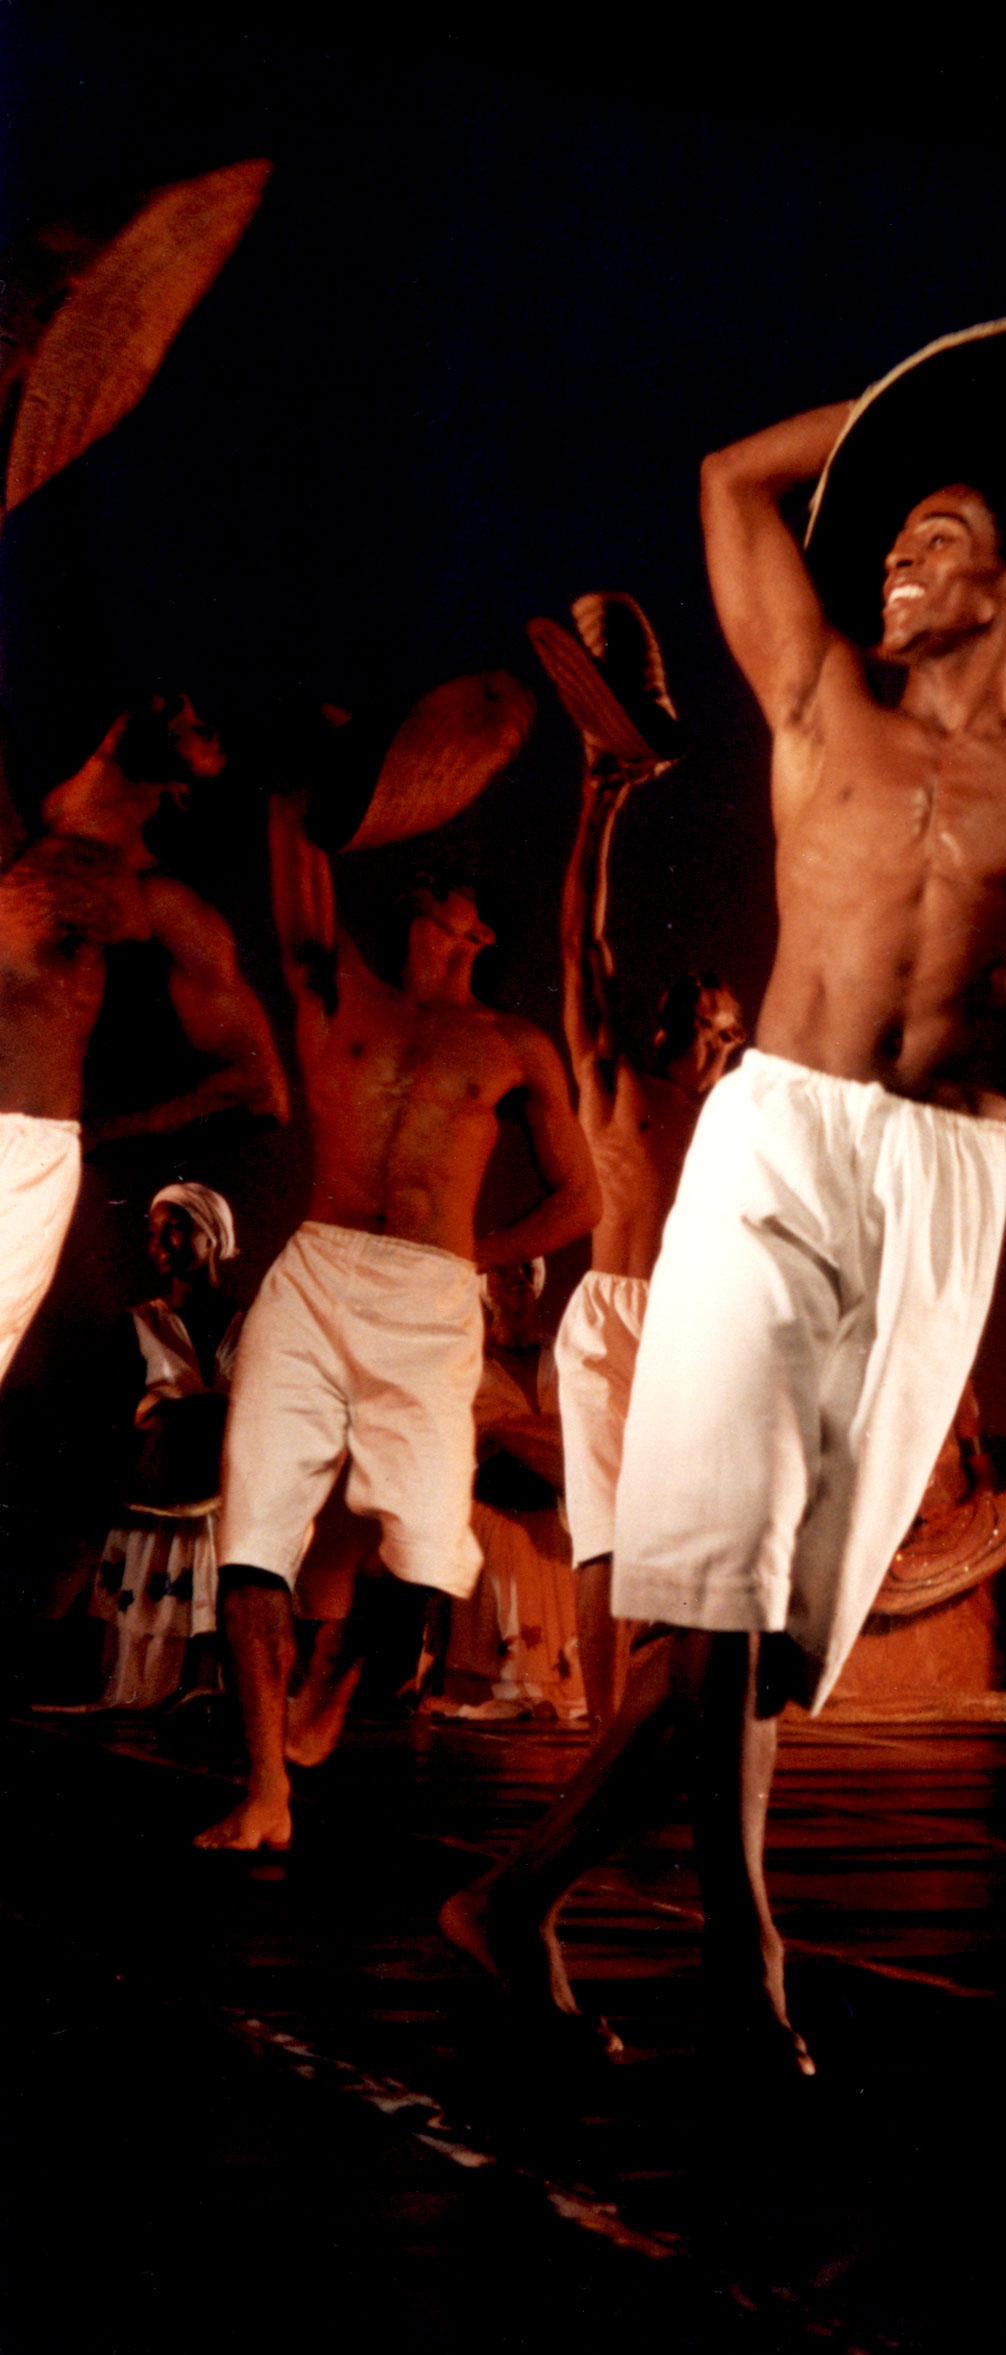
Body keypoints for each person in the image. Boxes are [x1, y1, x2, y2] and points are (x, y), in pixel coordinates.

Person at [440, 373, 1006, 2073]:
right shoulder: (819, 697)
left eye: (935, 537)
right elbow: (727, 475)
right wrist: (943, 402)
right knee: (714, 1587)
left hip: (945, 1173)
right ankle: (712, 1945)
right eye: (893, 538)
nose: (895, 560)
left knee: (778, 1622)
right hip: (775, 1148)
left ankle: (552, 1910)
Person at [195, 786, 598, 1850]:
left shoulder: (512, 1044)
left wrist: (477, 1257)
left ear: (482, 932)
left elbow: (580, 1198)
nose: (428, 886)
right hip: (316, 1274)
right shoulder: (340, 988)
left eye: (450, 886)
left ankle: (333, 1667)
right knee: (253, 1530)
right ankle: (265, 1787)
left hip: (428, 1297)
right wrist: (299, 784)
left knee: (421, 1549)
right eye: (423, 880)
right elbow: (297, 875)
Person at [530, 595, 747, 1733]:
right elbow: (581, 944)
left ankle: (679, 1727)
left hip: (693, 1326)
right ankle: (603, 1734)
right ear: (669, 1017)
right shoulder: (614, 1081)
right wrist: (596, 805)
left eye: (727, 1030)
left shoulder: (738, 1117)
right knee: (606, 1533)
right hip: (609, 1318)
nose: (711, 1038)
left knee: (698, 1538)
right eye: (700, 1018)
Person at [0, 692, 288, 1384]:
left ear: (186, 791)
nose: (179, 703)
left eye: (202, 726)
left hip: (15, 1158)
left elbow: (261, 1092)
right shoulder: (20, 832)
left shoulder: (152, 902)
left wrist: (98, 1136)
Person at [89, 1182, 242, 1708]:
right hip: (159, 1513)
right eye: (154, 1232)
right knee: (153, 1650)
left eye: (175, 1229)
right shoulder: (140, 1324)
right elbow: (118, 1417)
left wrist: (180, 1409)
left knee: (217, 1643)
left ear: (213, 1235)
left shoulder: (251, 1326)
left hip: (226, 1511)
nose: (160, 1244)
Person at [430, 1257, 585, 1723]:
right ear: (484, 1286)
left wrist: (505, 1430)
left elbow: (583, 1434)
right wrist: (531, 1435)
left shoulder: (564, 1357)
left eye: (525, 1269)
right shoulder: (466, 1363)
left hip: (556, 1527)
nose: (517, 1277)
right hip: (495, 1523)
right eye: (503, 1270)